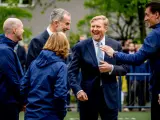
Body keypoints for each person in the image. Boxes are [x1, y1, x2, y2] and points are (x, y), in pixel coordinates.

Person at [100, 2, 160, 120]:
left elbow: (137, 59)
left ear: (157, 14)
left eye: (147, 15)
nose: (145, 18)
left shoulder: (155, 35)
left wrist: (114, 53)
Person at [68, 15, 128, 120]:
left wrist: (111, 68)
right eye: (93, 26)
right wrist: (78, 90)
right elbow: (71, 72)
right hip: (87, 97)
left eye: (98, 27)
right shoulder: (80, 46)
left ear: (105, 28)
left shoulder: (115, 45)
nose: (94, 29)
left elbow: (125, 68)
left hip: (109, 96)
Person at [20, 32, 70, 120]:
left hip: (31, 113)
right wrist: (62, 112)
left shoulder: (34, 64)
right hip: (50, 114)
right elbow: (60, 94)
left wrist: (24, 103)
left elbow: (23, 86)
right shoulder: (61, 66)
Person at [0, 18, 24, 120]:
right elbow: (13, 80)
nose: (23, 31)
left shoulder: (6, 49)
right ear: (14, 30)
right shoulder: (5, 50)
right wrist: (23, 100)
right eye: (21, 28)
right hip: (6, 105)